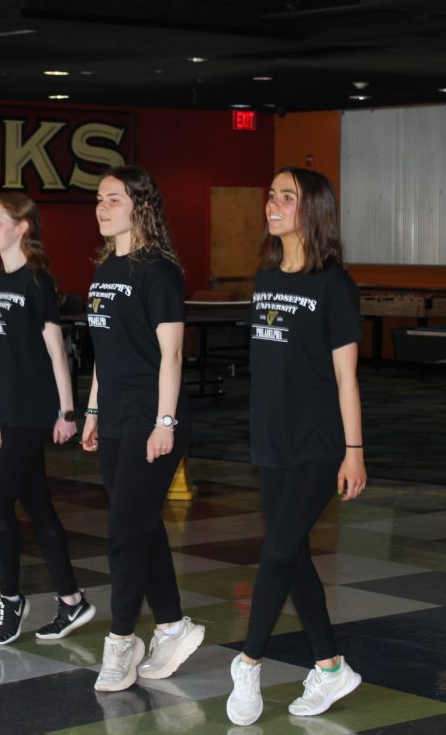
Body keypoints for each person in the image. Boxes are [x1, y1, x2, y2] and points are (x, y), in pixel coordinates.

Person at [226, 167, 367, 726]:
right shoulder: (265, 279)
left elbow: (347, 377)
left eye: (287, 197)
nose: (272, 204)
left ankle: (248, 659)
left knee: (279, 550)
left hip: (319, 442)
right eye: (271, 194)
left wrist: (353, 449)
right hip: (271, 437)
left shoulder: (335, 284)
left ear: (313, 211)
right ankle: (331, 667)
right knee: (294, 554)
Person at [80, 165, 204, 692]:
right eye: (100, 200)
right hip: (113, 418)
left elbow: (172, 353)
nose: (101, 208)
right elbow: (105, 355)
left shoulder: (159, 272)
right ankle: (173, 626)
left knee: (122, 534)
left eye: (112, 199)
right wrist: (91, 412)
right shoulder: (105, 268)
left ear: (140, 206)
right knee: (141, 525)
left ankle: (121, 642)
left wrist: (165, 422)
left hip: (152, 419)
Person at [0, 192, 95, 645]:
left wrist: (68, 411)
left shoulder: (37, 282)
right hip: (8, 413)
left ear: (22, 227)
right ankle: (71, 600)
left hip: (34, 411)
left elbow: (55, 350)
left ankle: (11, 598)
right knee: (39, 508)